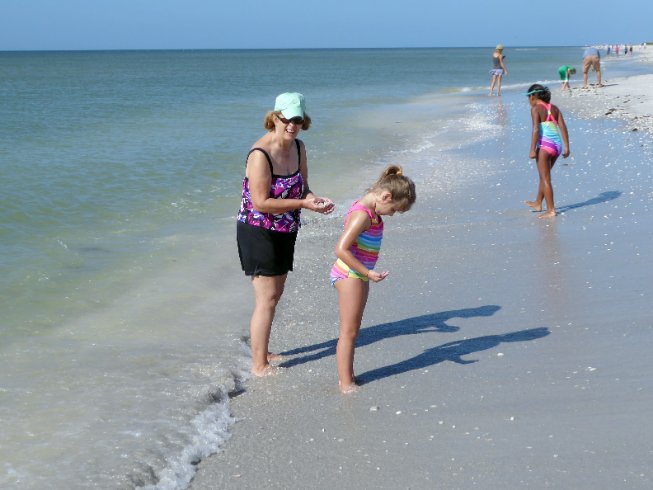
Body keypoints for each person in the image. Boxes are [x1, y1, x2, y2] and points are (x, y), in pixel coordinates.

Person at [237, 92, 335, 376]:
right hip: (257, 230)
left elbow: (302, 187)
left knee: (275, 294)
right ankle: (259, 365)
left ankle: (261, 349)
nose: (292, 125)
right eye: (287, 119)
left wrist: (314, 200)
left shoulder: (299, 147)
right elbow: (260, 202)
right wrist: (303, 204)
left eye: (299, 120)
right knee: (266, 298)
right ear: (274, 118)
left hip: (285, 228)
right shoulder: (260, 155)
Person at [330, 165, 416, 393]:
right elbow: (341, 249)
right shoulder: (362, 215)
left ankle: (348, 375)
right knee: (348, 331)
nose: (392, 214)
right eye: (394, 209)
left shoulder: (372, 209)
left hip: (357, 273)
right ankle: (345, 383)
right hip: (351, 274)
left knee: (353, 329)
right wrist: (367, 272)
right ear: (386, 196)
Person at [524, 84, 570, 218]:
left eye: (528, 97)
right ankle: (538, 203)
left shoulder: (535, 109)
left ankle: (551, 210)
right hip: (556, 145)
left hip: (545, 146)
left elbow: (536, 130)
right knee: (544, 176)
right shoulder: (555, 108)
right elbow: (563, 127)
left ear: (533, 96)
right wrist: (567, 147)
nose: (528, 100)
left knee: (545, 178)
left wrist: (532, 149)